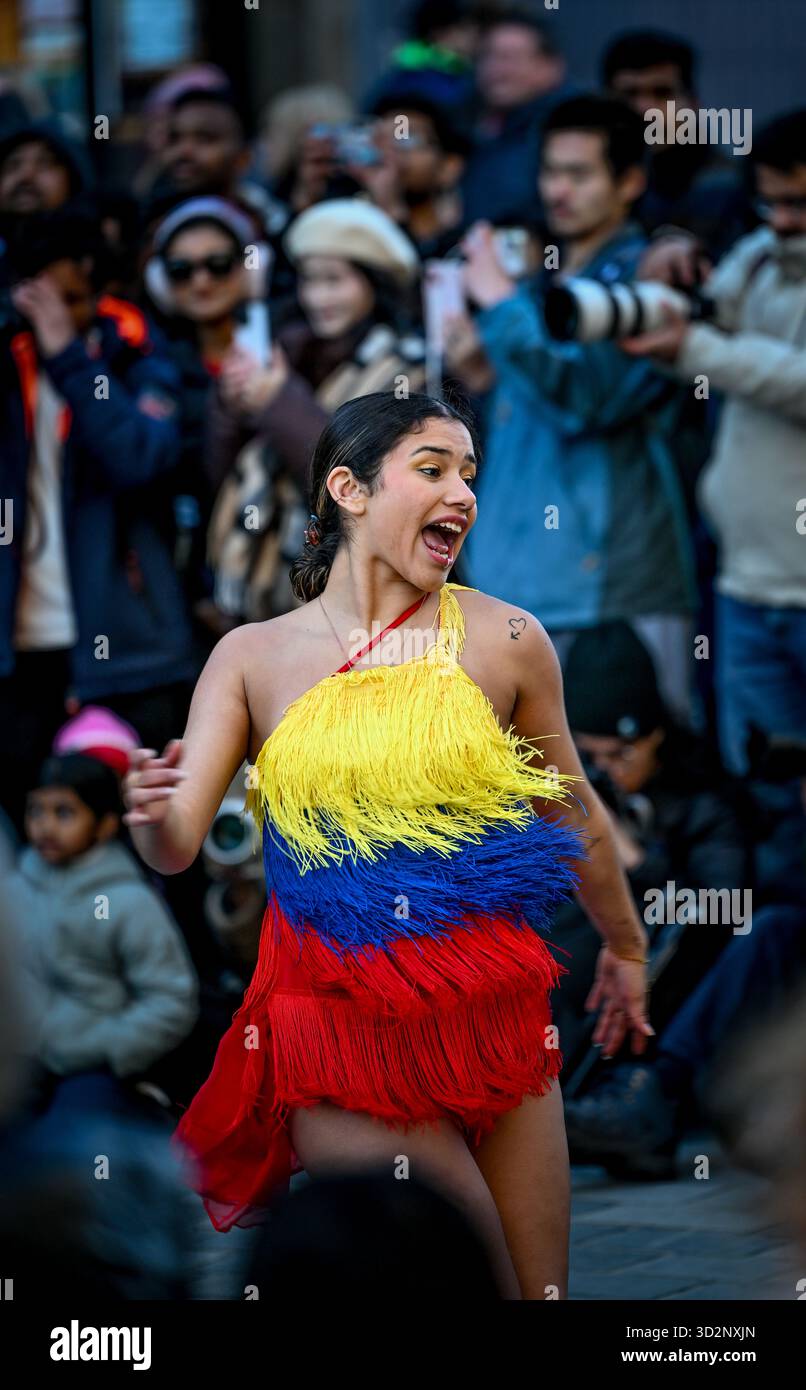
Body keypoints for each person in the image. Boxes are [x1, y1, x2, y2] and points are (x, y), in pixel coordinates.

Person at [123, 390, 653, 1301]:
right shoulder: (253, 656)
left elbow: (575, 810)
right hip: (339, 1030)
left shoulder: (508, 640)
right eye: (434, 468)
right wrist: (149, 816)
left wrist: (628, 944)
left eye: (470, 475)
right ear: (349, 490)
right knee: (461, 1280)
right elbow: (177, 846)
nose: (463, 494)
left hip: (497, 1017)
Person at [457, 95, 699, 725]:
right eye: (550, 172)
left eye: (580, 174)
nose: (558, 191)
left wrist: (500, 306)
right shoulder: (547, 281)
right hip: (514, 588)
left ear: (630, 182)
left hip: (608, 593)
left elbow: (588, 398)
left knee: (614, 804)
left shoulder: (647, 282)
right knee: (523, 815)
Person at [621, 107, 806, 899]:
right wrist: (668, 279)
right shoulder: (761, 258)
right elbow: (694, 342)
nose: (785, 222)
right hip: (744, 586)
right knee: (766, 802)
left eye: (801, 205)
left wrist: (697, 348)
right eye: (772, 203)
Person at [0, 206, 197, 836]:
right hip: (21, 655)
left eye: (81, 298)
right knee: (36, 841)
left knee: (152, 840)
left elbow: (139, 454)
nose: (70, 313)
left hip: (128, 651)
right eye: (53, 299)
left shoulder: (134, 351)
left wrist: (68, 357)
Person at [205, 199, 425, 624]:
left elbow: (358, 486)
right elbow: (219, 475)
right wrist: (229, 408)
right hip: (259, 607)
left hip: (354, 613)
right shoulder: (282, 351)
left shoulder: (408, 370)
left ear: (373, 284)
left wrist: (278, 402)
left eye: (334, 281)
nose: (317, 297)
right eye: (309, 280)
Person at [5, 752, 199, 1118]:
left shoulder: (128, 902)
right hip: (20, 1062)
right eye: (36, 811)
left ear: (106, 825)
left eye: (64, 812)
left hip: (95, 1068)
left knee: (74, 1136)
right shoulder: (15, 887)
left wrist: (106, 1049)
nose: (45, 826)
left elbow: (171, 1001)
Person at [601, 29, 749, 260]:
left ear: (693, 103)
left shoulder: (727, 188)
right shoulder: (588, 180)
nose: (645, 110)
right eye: (629, 94)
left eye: (662, 93)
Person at [461, 8, 571, 226]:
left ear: (550, 66)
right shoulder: (471, 120)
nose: (496, 69)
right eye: (487, 56)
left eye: (510, 58)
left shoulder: (571, 124)